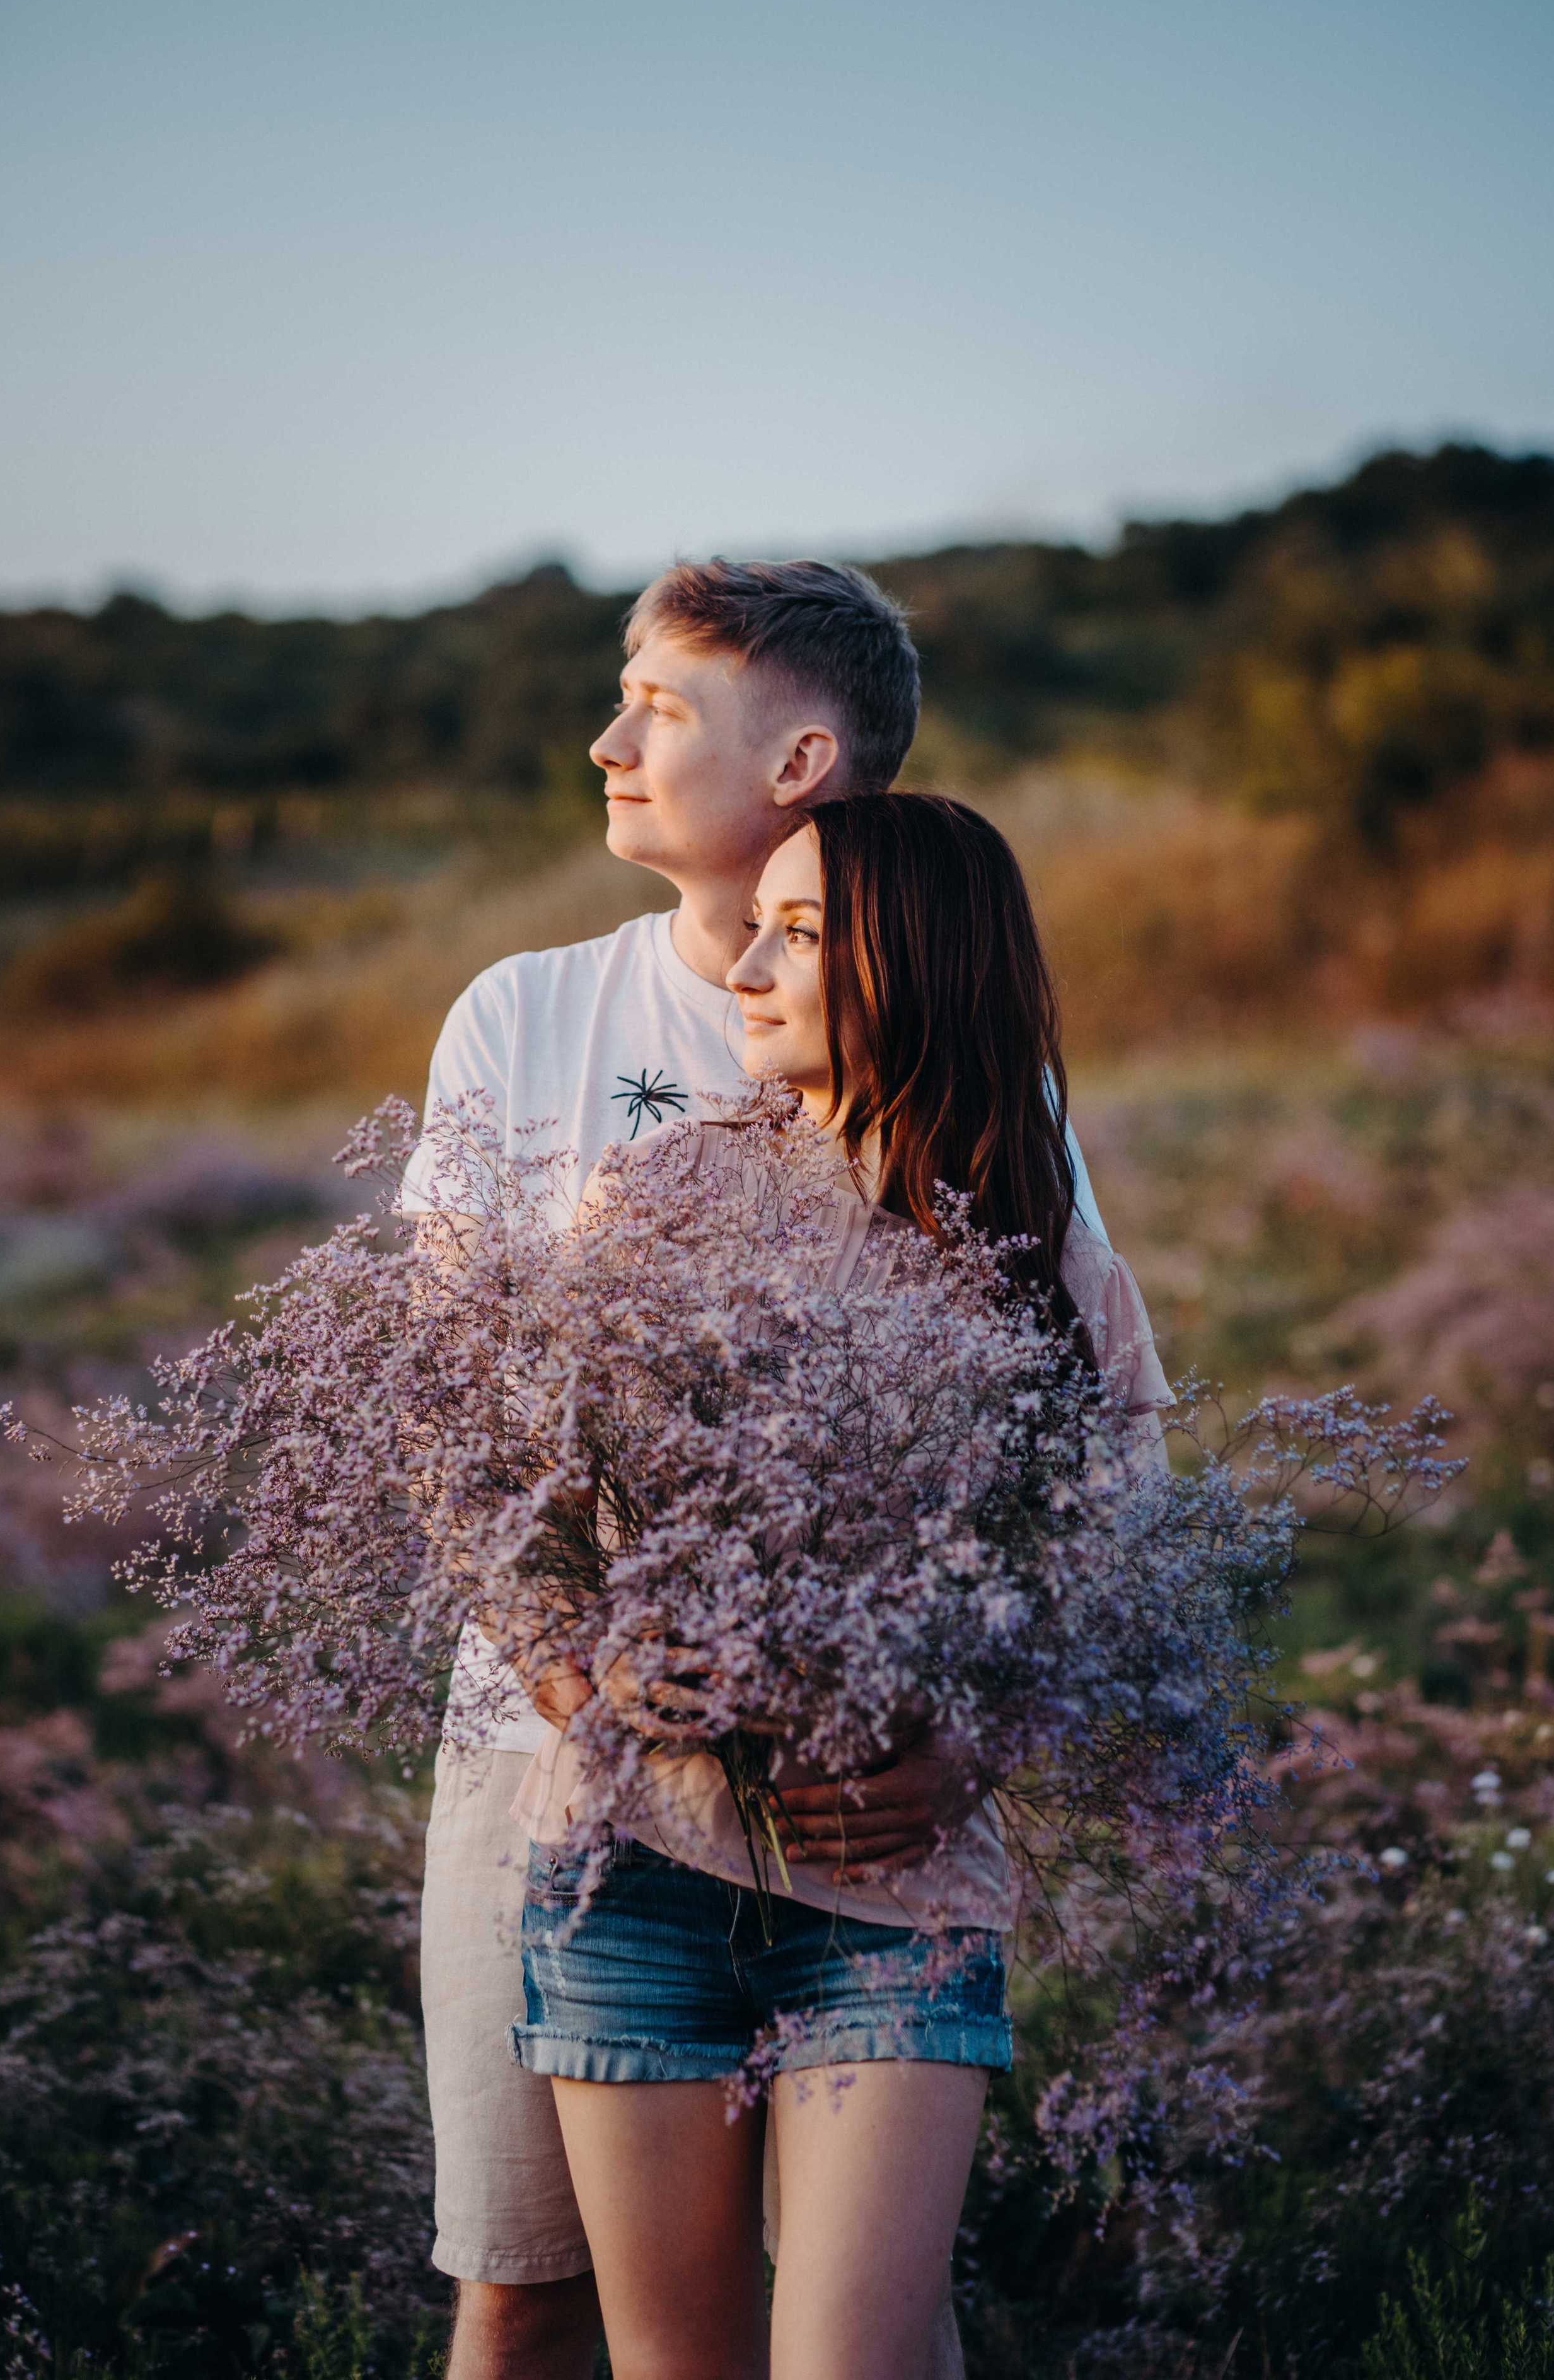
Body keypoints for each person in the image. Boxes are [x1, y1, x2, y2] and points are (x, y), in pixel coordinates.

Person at [407, 559, 1110, 2380]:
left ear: (801, 758)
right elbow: (450, 1414)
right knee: (519, 2287)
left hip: (881, 1837)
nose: (605, 739)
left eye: (661, 706)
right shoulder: (532, 1018)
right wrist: (587, 1673)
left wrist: (975, 1720)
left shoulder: (986, 1126)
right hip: (566, 1766)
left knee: (867, 2321)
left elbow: (1088, 1450)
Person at [507, 794, 1171, 2380]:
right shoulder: (659, 1198)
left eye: (798, 932)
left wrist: (972, 1751)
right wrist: (579, 1678)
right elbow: (509, 1495)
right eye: (758, 924)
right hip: (634, 1870)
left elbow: (1112, 1563)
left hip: (894, 1895)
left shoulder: (1042, 1257)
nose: (742, 964)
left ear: (919, 960)